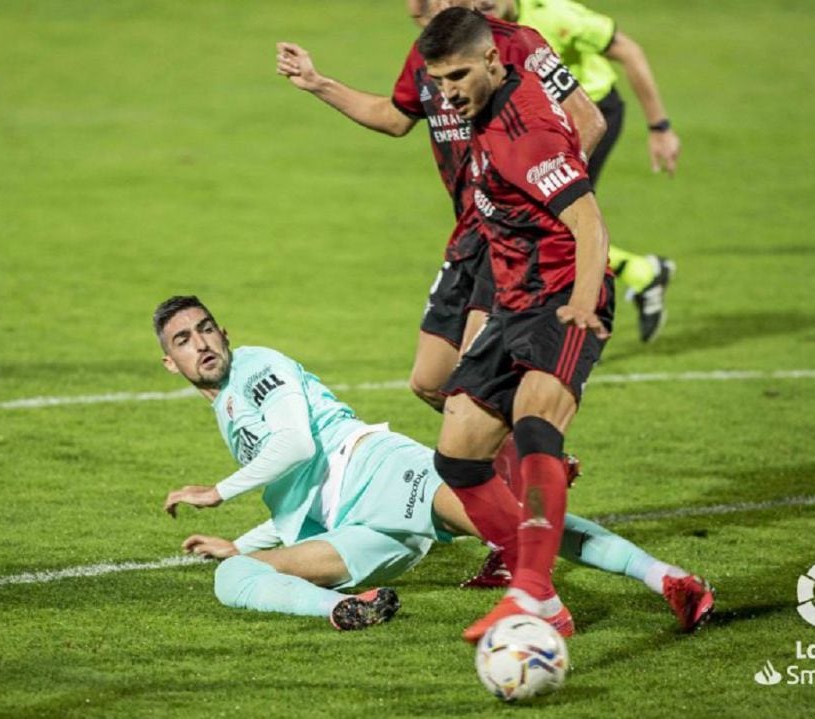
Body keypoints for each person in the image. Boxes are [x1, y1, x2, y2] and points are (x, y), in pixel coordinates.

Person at [154, 294, 714, 633]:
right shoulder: (226, 405)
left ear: (225, 333)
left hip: (381, 474)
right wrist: (243, 546)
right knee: (232, 575)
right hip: (358, 531)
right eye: (184, 339)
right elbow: (297, 494)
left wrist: (219, 492)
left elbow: (299, 445)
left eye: (206, 329)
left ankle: (667, 578)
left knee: (516, 524)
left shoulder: (256, 368)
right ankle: (347, 609)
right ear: (171, 363)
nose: (201, 343)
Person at [415, 7, 710, 643]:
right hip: (512, 299)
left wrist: (581, 303)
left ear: (494, 60)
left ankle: (532, 593)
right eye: (440, 82)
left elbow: (590, 224)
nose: (450, 93)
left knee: (534, 426)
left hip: (559, 300)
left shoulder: (528, 134)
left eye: (461, 75)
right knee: (459, 458)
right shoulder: (483, 111)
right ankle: (540, 585)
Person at [277, 1, 605, 414]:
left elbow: (588, 121)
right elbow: (394, 117)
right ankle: (519, 453)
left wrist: (547, 197)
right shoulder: (427, 53)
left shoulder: (517, 44)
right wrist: (318, 83)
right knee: (430, 382)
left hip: (510, 235)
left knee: (473, 385)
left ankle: (533, 456)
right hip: (469, 233)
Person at [485, 0, 681, 341]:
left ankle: (575, 322)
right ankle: (640, 273)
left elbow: (630, 52)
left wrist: (659, 127)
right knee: (549, 218)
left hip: (591, 116)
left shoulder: (555, 14)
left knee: (558, 217)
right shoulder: (482, 28)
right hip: (543, 125)